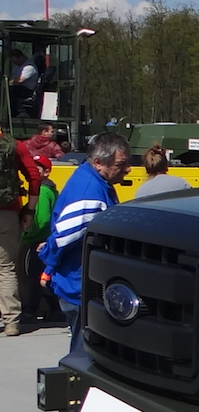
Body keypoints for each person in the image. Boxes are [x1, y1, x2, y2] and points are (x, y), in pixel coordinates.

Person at [39, 132, 130, 354]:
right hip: (80, 286)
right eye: (121, 164)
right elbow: (63, 238)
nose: (128, 169)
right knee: (85, 354)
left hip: (76, 283)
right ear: (98, 162)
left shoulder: (92, 180)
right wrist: (49, 261)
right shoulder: (90, 192)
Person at [0, 125, 41, 337]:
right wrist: (30, 211)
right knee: (6, 269)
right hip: (8, 213)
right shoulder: (14, 146)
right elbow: (34, 177)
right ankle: (12, 322)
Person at [17, 153, 59, 325]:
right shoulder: (50, 190)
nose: (33, 171)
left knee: (34, 277)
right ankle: (56, 310)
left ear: (47, 172)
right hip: (46, 240)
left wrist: (26, 234)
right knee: (43, 277)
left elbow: (41, 219)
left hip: (38, 241)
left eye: (38, 169)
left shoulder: (41, 191)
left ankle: (30, 312)